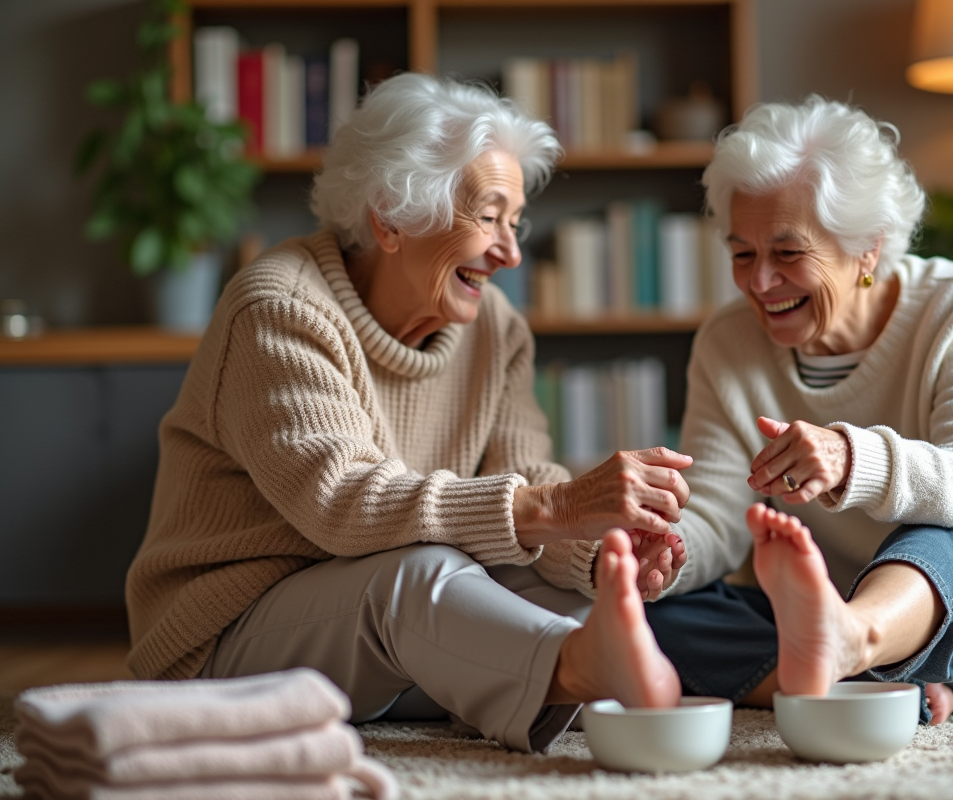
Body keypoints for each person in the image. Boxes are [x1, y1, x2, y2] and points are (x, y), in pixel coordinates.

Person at [124, 73, 689, 754]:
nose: (510, 254)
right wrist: (560, 504)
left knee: (552, 591)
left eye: (516, 222)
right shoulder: (279, 308)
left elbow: (526, 475)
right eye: (488, 217)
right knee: (415, 577)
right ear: (392, 214)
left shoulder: (497, 330)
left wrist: (602, 553)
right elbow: (341, 503)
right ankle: (579, 670)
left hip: (378, 642)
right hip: (227, 639)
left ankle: (573, 662)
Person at [637, 96, 953, 725]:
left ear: (868, 249)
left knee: (935, 539)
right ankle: (877, 677)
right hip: (834, 605)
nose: (760, 283)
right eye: (743, 254)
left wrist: (854, 459)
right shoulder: (725, 342)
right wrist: (668, 552)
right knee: (656, 611)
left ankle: (852, 647)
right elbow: (717, 510)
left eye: (789, 254)